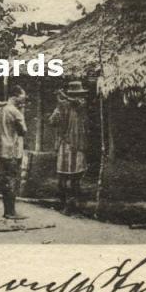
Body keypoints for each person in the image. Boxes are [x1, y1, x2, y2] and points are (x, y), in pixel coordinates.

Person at [49, 81, 90, 214]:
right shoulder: (64, 106)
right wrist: (60, 106)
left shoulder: (80, 104)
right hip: (67, 144)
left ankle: (71, 205)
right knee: (65, 177)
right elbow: (52, 121)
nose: (79, 97)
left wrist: (63, 99)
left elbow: (75, 104)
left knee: (74, 177)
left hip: (75, 144)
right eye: (77, 94)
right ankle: (66, 204)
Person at [0, 85, 28, 220]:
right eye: (22, 97)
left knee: (6, 180)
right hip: (13, 150)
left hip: (2, 149)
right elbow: (23, 131)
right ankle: (11, 212)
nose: (23, 99)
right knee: (12, 180)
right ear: (15, 96)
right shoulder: (15, 112)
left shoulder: (1, 109)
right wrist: (22, 113)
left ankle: (8, 210)